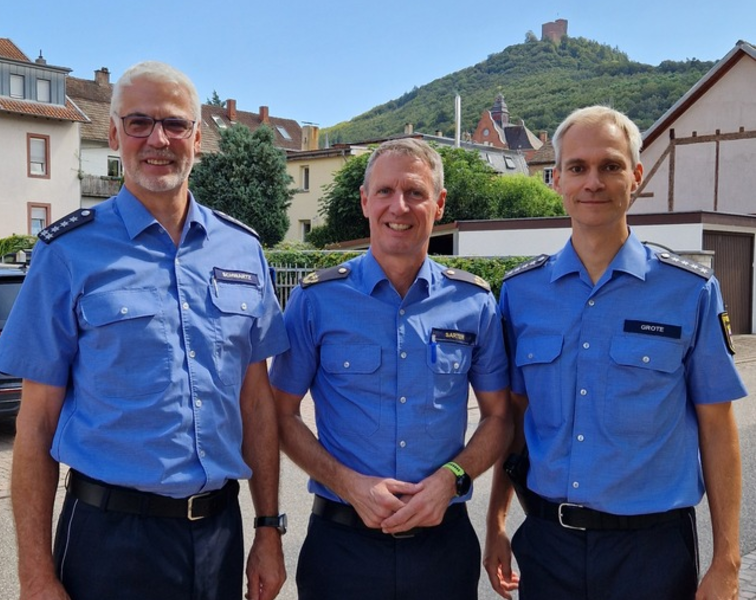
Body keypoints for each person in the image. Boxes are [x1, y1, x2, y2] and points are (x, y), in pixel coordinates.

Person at [0, 61, 289, 600]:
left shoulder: (243, 249)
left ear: (197, 138)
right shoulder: (67, 252)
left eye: (174, 124)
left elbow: (256, 401)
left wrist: (268, 527)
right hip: (109, 540)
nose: (158, 140)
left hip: (218, 536)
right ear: (113, 134)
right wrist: (35, 573)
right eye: (139, 123)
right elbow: (35, 425)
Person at [484, 105, 747, 600]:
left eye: (610, 166)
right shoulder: (521, 293)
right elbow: (514, 418)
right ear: (557, 179)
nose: (593, 182)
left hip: (651, 553)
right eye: (578, 167)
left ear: (636, 176)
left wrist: (727, 559)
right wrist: (496, 522)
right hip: (548, 546)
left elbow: (717, 425)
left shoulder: (689, 291)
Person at [270, 137, 511, 600]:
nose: (398, 206)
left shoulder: (474, 302)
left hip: (443, 548)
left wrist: (452, 477)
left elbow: (499, 417)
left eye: (415, 192)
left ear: (439, 204)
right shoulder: (317, 300)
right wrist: (348, 484)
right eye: (384, 191)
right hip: (341, 546)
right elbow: (280, 413)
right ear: (365, 201)